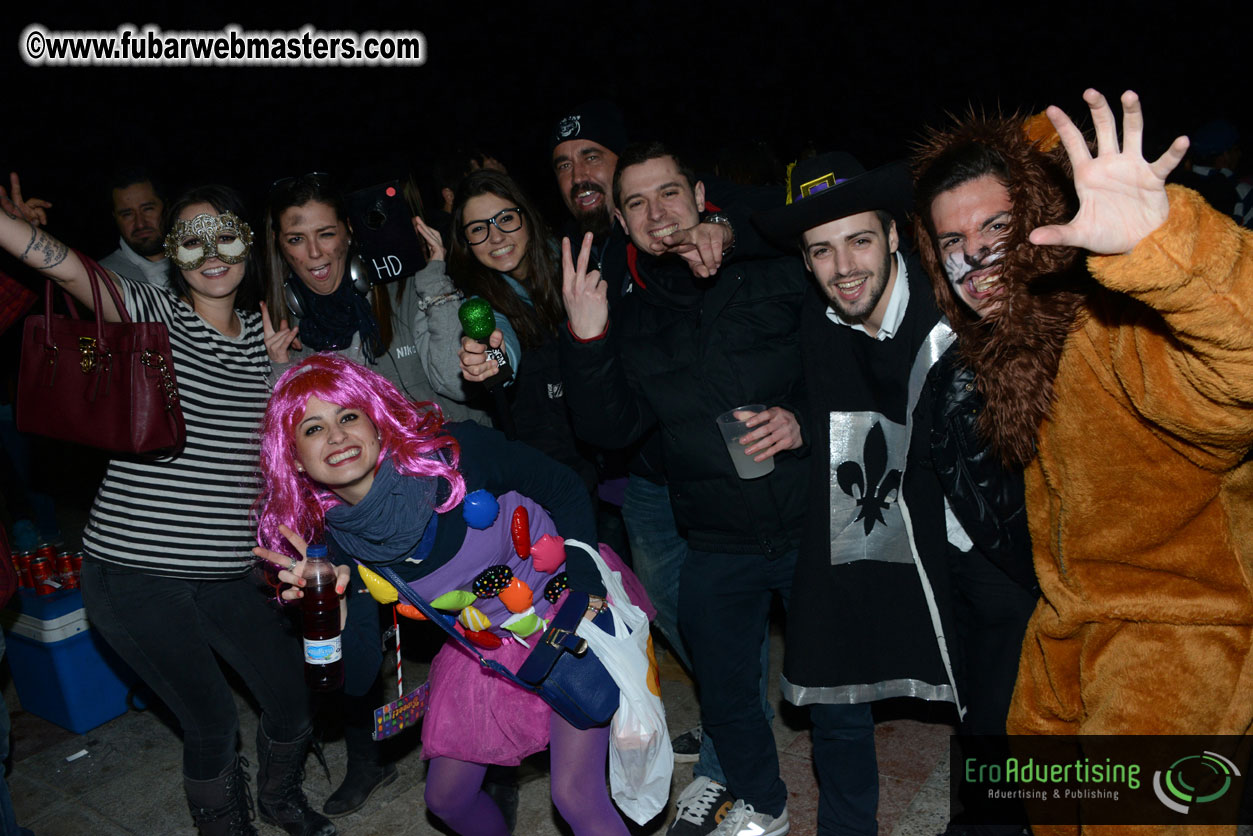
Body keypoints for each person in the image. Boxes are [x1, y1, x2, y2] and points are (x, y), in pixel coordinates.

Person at [912, 90, 1253, 834]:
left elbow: (1240, 368)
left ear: (1039, 221)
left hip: (1174, 645)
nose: (973, 252)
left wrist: (1161, 243)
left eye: (997, 226)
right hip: (1062, 639)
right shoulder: (1013, 360)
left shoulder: (1117, 330)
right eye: (951, 240)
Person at [0, 181, 334, 836]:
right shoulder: (149, 313)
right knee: (211, 722)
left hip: (230, 569)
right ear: (172, 255)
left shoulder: (264, 345)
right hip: (134, 573)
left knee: (291, 700)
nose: (212, 253)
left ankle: (280, 797)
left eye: (224, 236)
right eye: (191, 239)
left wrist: (277, 370)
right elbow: (63, 265)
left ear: (246, 244)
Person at [253, 353, 629, 836]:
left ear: (376, 422)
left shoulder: (457, 454)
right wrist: (332, 611)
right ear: (295, 460)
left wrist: (586, 588)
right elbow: (359, 680)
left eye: (348, 416)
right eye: (312, 429)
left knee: (576, 795)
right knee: (446, 798)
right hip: (486, 645)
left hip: (565, 608)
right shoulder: (338, 544)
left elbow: (565, 488)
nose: (337, 436)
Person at [562, 142, 808, 836]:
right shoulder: (626, 297)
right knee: (720, 669)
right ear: (619, 217)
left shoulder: (764, 261)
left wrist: (803, 423)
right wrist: (586, 338)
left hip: (797, 508)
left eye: (667, 194)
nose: (655, 214)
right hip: (696, 516)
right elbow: (611, 425)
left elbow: (834, 362)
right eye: (634, 203)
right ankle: (754, 791)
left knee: (832, 685)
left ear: (701, 193)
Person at [752, 152, 959, 836]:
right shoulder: (816, 319)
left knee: (990, 701)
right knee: (827, 667)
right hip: (860, 521)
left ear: (895, 235)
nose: (842, 267)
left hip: (960, 531)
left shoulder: (952, 311)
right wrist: (800, 424)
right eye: (820, 249)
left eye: (859, 239)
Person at [263, 172, 485, 424]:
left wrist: (435, 281)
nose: (314, 252)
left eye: (325, 234)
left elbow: (456, 384)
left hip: (456, 454)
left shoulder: (407, 290)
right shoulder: (287, 336)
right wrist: (283, 370)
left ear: (348, 232)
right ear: (279, 244)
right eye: (296, 239)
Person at [451, 169, 599, 494]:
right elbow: (500, 342)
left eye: (505, 219)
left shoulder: (573, 261)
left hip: (613, 453)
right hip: (554, 472)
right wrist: (493, 358)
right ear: (466, 242)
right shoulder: (482, 301)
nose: (496, 237)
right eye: (478, 229)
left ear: (526, 216)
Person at [98, 167, 170, 287]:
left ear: (167, 208)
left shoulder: (201, 262)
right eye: (127, 214)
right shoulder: (102, 277)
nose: (140, 223)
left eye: (148, 209)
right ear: (115, 217)